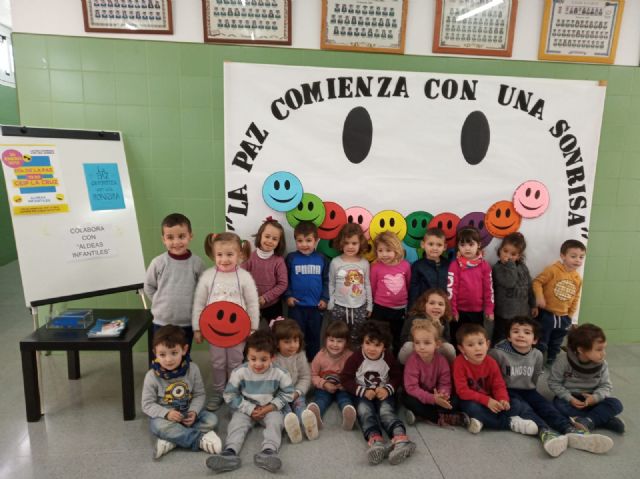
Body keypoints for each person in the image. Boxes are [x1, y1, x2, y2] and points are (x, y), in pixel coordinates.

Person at [490, 317, 614, 457]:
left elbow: (535, 376)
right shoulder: (497, 353)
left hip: (529, 389)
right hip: (506, 391)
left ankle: (568, 429)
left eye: (527, 332)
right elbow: (493, 377)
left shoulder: (537, 355)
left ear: (535, 340)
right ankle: (545, 432)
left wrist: (530, 389)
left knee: (546, 407)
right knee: (524, 408)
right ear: (508, 336)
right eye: (515, 331)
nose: (521, 335)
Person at [206, 330, 294, 474]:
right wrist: (249, 409)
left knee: (276, 423)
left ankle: (269, 451)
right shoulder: (239, 372)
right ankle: (230, 452)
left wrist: (270, 407)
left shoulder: (280, 373)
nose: (258, 364)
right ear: (247, 356)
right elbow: (229, 395)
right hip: (245, 407)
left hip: (270, 408)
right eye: (253, 359)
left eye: (263, 359)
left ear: (272, 357)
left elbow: (289, 393)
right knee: (237, 424)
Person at [192, 232, 259, 411]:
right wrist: (197, 328)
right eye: (219, 255)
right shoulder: (208, 276)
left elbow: (252, 303)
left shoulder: (244, 277)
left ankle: (234, 391)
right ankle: (219, 391)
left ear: (240, 254)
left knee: (236, 361)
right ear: (213, 255)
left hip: (238, 330)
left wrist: (253, 328)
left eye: (230, 254)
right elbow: (199, 302)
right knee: (218, 362)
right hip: (214, 330)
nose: (224, 259)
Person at [341, 321, 416, 466]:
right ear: (362, 342)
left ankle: (401, 439)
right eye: (368, 343)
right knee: (364, 412)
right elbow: (345, 379)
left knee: (386, 412)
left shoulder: (388, 357)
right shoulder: (356, 358)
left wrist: (387, 389)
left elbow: (397, 377)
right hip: (363, 393)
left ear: (384, 346)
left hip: (383, 393)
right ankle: (376, 441)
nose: (371, 348)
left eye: (377, 345)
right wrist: (362, 391)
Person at [141, 325, 222, 459]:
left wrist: (194, 412)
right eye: (162, 354)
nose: (168, 360)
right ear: (155, 352)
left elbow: (199, 394)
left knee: (212, 419)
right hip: (165, 416)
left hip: (187, 411)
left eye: (174, 353)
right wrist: (167, 414)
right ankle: (198, 440)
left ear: (184, 350)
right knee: (158, 426)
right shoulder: (151, 376)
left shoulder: (193, 369)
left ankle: (172, 439)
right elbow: (147, 405)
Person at [453, 323, 538, 435]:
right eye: (470, 345)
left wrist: (502, 399)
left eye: (480, 343)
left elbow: (498, 385)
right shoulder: (459, 363)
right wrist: (487, 401)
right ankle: (511, 423)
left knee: (516, 404)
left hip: (492, 399)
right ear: (461, 349)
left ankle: (483, 420)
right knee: (472, 408)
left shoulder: (491, 362)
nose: (477, 348)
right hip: (472, 400)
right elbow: (462, 391)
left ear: (487, 344)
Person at [548, 323, 625, 434]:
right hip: (570, 398)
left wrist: (595, 398)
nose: (603, 354)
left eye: (604, 349)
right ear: (581, 350)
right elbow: (553, 382)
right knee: (557, 406)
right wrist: (569, 398)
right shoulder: (563, 361)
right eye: (599, 350)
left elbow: (606, 385)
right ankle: (601, 420)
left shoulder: (602, 364)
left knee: (616, 404)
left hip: (592, 399)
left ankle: (587, 420)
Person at [144, 213, 204, 351]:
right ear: (163, 239)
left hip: (187, 322)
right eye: (170, 237)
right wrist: (159, 301)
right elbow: (149, 286)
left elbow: (203, 291)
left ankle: (185, 365)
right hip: (162, 322)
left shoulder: (197, 263)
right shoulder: (158, 262)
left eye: (181, 236)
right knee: (163, 355)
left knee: (183, 353)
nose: (176, 242)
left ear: (190, 236)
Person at [403, 319, 467, 427]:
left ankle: (422, 415)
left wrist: (443, 395)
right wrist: (433, 399)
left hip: (435, 395)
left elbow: (445, 383)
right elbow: (412, 388)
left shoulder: (442, 361)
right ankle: (440, 417)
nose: (421, 347)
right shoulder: (412, 361)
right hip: (418, 395)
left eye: (427, 343)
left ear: (437, 344)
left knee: (455, 399)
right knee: (409, 400)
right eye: (417, 343)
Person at [532, 239, 586, 365]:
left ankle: (551, 361)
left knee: (557, 342)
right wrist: (539, 297)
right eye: (573, 256)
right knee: (542, 340)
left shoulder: (577, 278)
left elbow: (576, 297)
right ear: (563, 256)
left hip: (564, 317)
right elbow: (537, 282)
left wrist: (570, 315)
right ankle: (538, 363)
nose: (578, 260)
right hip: (547, 314)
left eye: (581, 257)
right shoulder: (552, 270)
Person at [284, 221, 329, 362]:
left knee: (314, 337)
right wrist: (288, 296)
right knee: (295, 337)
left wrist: (325, 298)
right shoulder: (291, 258)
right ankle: (296, 363)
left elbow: (327, 280)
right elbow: (285, 280)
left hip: (316, 307)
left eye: (308, 240)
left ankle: (312, 364)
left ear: (316, 240)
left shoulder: (322, 258)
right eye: (300, 241)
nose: (304, 244)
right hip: (296, 307)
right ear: (295, 241)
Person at [271, 318, 319, 443]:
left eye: (295, 341)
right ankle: (293, 427)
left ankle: (308, 424)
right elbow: (270, 382)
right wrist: (281, 395)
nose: (292, 345)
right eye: (287, 342)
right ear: (277, 343)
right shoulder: (273, 359)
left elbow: (305, 377)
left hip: (296, 390)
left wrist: (298, 392)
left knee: (300, 405)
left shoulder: (300, 355)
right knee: (284, 409)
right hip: (279, 394)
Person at [447, 227, 494, 347]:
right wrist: (453, 310)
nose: (467, 248)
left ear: (479, 245)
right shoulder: (455, 265)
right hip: (459, 311)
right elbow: (451, 289)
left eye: (471, 244)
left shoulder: (484, 266)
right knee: (457, 339)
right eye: (462, 245)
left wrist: (489, 308)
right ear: (458, 246)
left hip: (477, 312)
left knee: (475, 338)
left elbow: (489, 289)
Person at [307, 320, 357, 430]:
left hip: (343, 388)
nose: (335, 344)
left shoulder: (350, 356)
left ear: (346, 342)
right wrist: (324, 384)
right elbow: (313, 375)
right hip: (324, 387)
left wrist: (346, 385)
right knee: (322, 399)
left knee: (345, 398)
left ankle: (348, 413)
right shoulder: (320, 356)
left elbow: (356, 375)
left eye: (339, 341)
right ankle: (315, 414)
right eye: (331, 340)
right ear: (326, 340)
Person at [328, 223, 373, 347]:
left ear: (360, 243)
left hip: (360, 307)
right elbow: (331, 283)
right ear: (341, 243)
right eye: (346, 243)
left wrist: (369, 305)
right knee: (339, 337)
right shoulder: (335, 262)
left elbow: (367, 284)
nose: (350, 246)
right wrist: (331, 302)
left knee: (357, 338)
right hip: (339, 307)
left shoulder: (364, 263)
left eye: (354, 243)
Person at [370, 231, 411, 353]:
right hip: (380, 308)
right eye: (380, 250)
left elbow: (408, 284)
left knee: (397, 336)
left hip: (399, 309)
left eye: (388, 250)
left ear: (396, 250)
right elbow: (373, 287)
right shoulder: (376, 267)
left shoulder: (405, 266)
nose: (384, 254)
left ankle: (395, 359)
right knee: (378, 336)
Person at [491, 232, 536, 344]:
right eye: (505, 251)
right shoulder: (498, 268)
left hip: (522, 313)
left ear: (519, 256)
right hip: (504, 314)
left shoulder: (523, 267)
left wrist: (533, 304)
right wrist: (510, 264)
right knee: (501, 338)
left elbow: (529, 287)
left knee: (517, 338)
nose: (508, 256)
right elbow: (509, 282)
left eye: (513, 254)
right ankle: (498, 353)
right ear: (500, 250)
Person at [242, 217, 288, 324]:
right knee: (250, 331)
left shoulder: (279, 261)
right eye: (267, 236)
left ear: (279, 242)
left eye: (274, 239)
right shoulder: (249, 257)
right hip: (251, 304)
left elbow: (283, 284)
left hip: (273, 305)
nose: (270, 241)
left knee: (277, 331)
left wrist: (265, 298)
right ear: (260, 236)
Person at [397, 288, 456, 364]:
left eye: (440, 304)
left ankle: (446, 368)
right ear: (424, 305)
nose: (436, 307)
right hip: (417, 349)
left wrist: (438, 328)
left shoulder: (444, 321)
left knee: (449, 348)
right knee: (408, 346)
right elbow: (404, 339)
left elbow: (447, 340)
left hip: (434, 351)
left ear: (445, 307)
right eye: (432, 303)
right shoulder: (414, 318)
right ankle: (405, 367)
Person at [408, 227, 450, 309]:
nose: (435, 248)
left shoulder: (448, 265)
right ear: (423, 245)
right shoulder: (418, 266)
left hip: (442, 308)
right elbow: (413, 290)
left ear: (444, 247)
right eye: (430, 244)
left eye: (439, 245)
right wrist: (412, 310)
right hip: (423, 308)